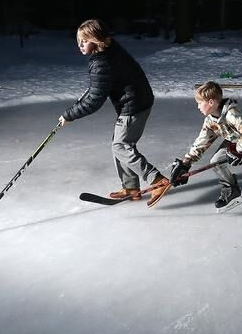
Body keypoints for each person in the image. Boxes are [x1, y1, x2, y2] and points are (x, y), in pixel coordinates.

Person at [58, 19, 169, 202]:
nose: (80, 45)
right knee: (119, 144)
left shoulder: (102, 63)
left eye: (84, 41)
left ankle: (157, 180)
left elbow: (94, 101)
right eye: (79, 41)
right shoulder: (108, 50)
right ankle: (131, 187)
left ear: (96, 39)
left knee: (121, 146)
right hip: (137, 99)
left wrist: (69, 115)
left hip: (134, 104)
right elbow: (98, 89)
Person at [167, 81, 242, 216]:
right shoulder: (210, 120)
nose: (198, 107)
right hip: (234, 141)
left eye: (200, 103)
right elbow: (202, 141)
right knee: (215, 161)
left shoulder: (232, 114)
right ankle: (231, 188)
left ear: (211, 102)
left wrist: (238, 150)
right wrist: (186, 162)